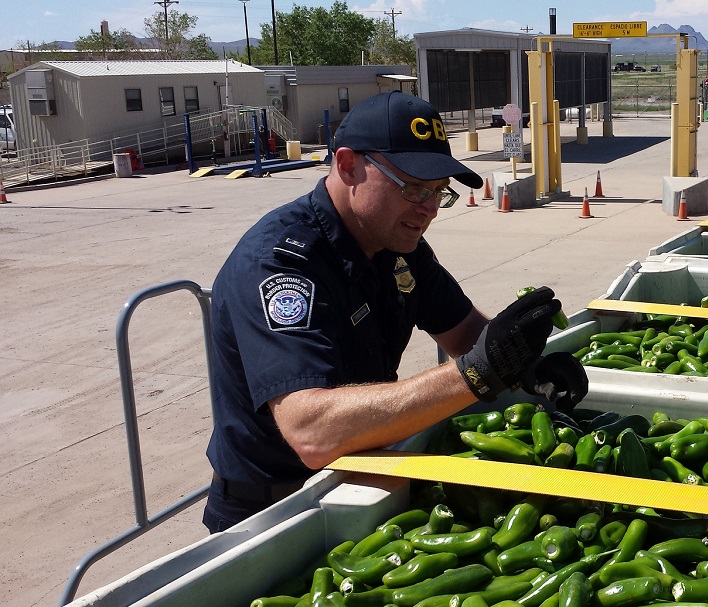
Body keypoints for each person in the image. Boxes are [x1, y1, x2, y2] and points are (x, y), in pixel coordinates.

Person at [202, 91, 587, 533]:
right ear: (347, 166)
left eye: (439, 194)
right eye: (413, 188)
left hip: (361, 490)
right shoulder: (281, 262)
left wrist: (528, 362)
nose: (427, 211)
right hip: (276, 514)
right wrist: (475, 374)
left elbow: (466, 333)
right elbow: (310, 430)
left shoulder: (396, 245)